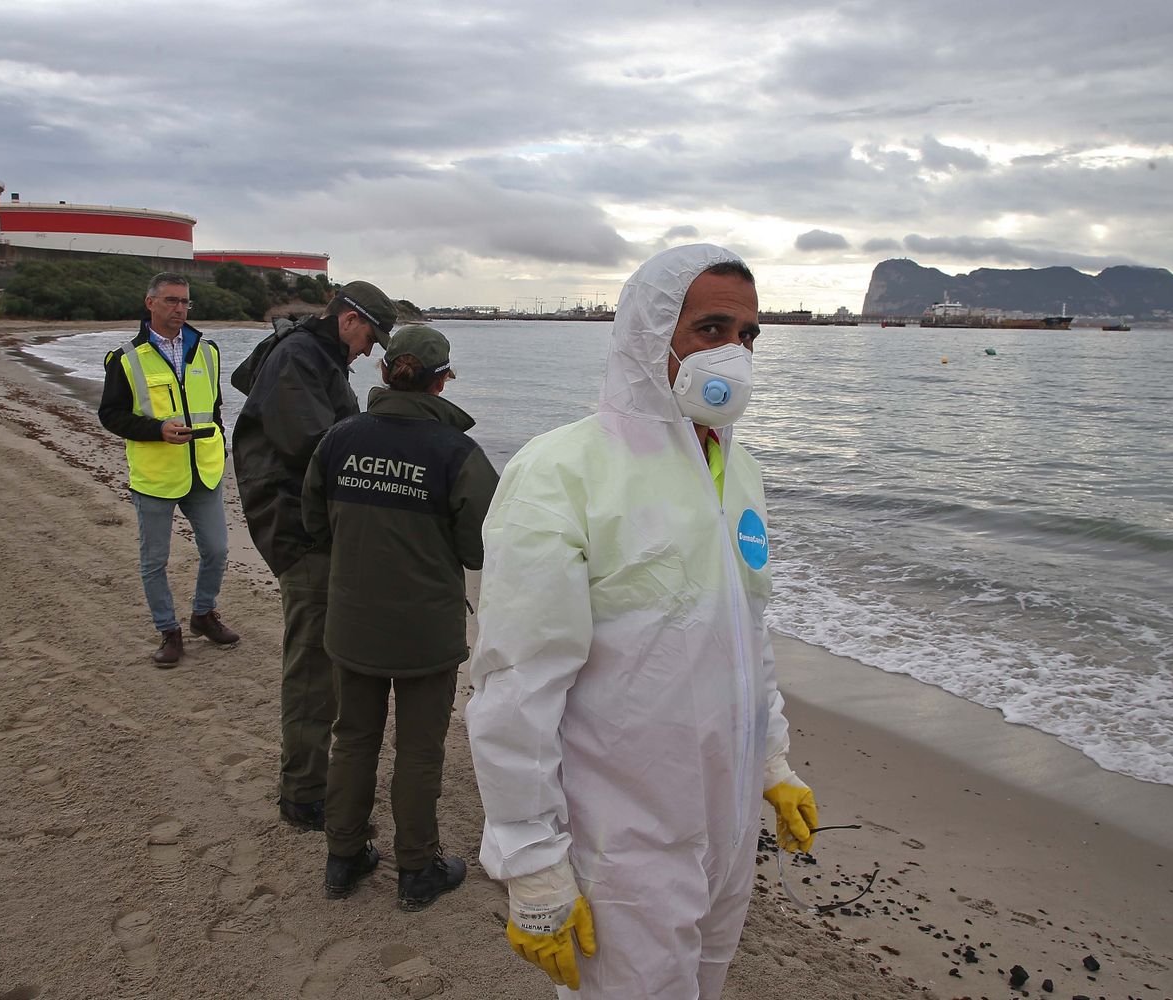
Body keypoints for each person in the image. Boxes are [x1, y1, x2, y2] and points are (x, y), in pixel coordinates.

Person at [466, 244, 819, 997]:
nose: (736, 352)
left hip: (723, 831)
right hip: (620, 843)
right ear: (648, 333)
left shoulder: (738, 468)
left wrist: (772, 762)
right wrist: (531, 862)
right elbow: (515, 684)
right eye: (711, 328)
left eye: (749, 335)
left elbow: (746, 635)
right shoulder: (563, 470)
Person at [301, 325, 500, 910]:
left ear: (385, 373)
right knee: (419, 749)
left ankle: (344, 858)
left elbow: (314, 522)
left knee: (353, 739)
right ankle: (416, 868)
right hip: (424, 631)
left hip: (353, 621)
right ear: (442, 380)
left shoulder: (338, 439)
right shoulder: (456, 453)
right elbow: (481, 548)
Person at [229, 280, 398, 830]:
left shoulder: (316, 355)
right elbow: (316, 448)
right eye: (371, 337)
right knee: (311, 665)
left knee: (322, 657)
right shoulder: (301, 357)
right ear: (349, 320)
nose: (370, 350)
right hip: (299, 531)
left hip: (312, 526)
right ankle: (303, 795)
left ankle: (311, 780)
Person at [98, 272, 240, 667]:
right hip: (156, 476)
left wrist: (220, 440)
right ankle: (169, 631)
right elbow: (109, 415)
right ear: (151, 303)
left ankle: (202, 614)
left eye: (185, 302)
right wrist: (156, 430)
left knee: (217, 550)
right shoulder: (126, 358)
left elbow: (213, 407)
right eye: (172, 301)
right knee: (154, 561)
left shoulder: (208, 351)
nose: (180, 309)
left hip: (205, 471)